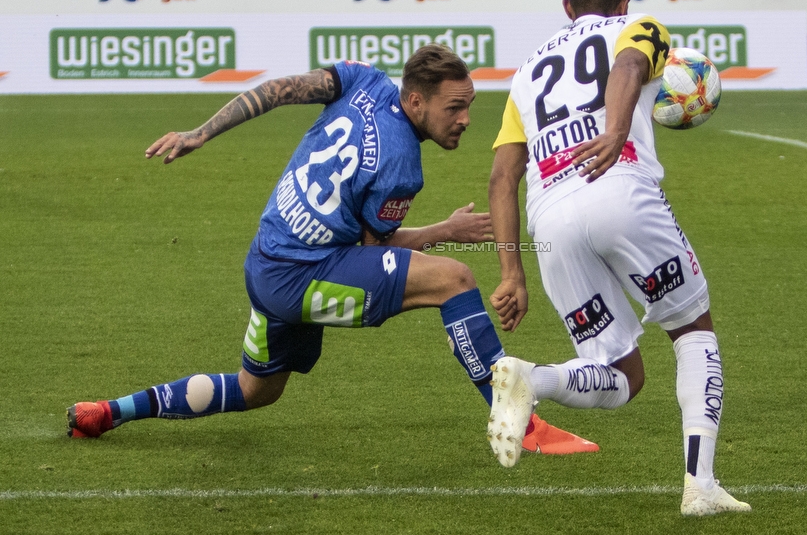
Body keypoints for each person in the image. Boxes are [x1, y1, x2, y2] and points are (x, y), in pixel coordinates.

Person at [67, 44, 597, 459]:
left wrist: (202, 132)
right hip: (302, 276)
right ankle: (515, 421)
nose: (464, 119)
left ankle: (110, 411)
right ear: (416, 101)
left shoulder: (363, 79)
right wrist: (444, 229)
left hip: (266, 258)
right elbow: (372, 249)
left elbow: (277, 90)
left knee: (257, 390)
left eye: (469, 107)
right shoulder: (401, 168)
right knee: (454, 279)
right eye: (454, 107)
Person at [486, 0, 751, 517]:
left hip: (549, 216)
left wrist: (512, 273)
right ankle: (700, 487)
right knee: (692, 330)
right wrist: (611, 133)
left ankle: (533, 378)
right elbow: (630, 64)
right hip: (617, 184)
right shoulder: (643, 27)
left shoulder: (525, 74)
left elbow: (502, 177)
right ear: (625, 2)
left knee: (623, 375)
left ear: (567, 8)